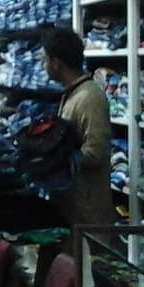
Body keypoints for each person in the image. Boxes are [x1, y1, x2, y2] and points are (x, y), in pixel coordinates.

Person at [42, 28, 115, 233]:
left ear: (56, 63)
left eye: (45, 60)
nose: (43, 66)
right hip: (72, 208)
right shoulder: (73, 94)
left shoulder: (89, 98)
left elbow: (96, 153)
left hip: (88, 212)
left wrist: (53, 157)